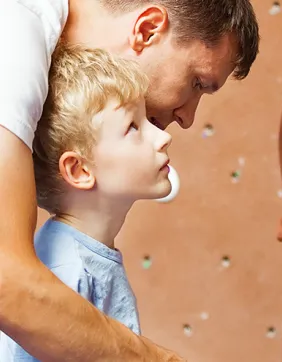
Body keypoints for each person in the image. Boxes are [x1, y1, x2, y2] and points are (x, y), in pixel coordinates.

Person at [0, 0, 259, 361]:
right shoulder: (13, 40)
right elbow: (6, 281)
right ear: (147, 29)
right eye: (196, 82)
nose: (187, 119)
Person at [0, 40, 174, 361]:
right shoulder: (67, 269)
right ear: (79, 169)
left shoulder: (84, 254)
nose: (163, 136)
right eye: (133, 126)